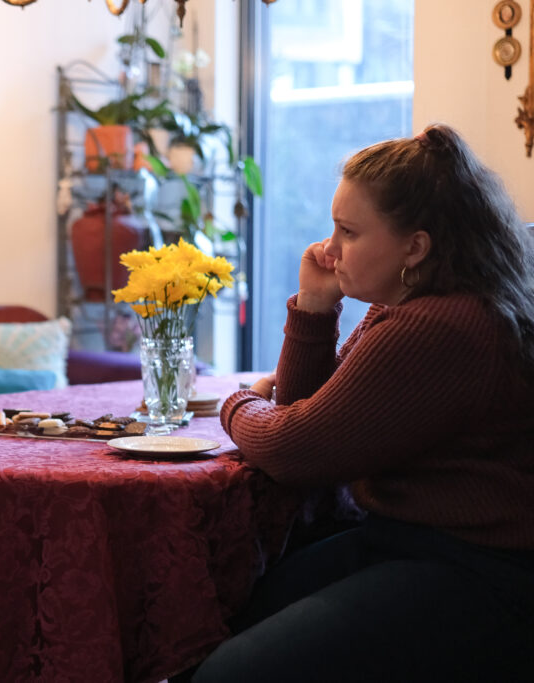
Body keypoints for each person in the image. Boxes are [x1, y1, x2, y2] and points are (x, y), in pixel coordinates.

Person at [191, 124, 534, 682]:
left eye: (348, 232)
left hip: (482, 570)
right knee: (216, 620)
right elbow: (310, 417)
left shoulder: (440, 325)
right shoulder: (410, 304)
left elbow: (293, 449)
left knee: (228, 673)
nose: (328, 249)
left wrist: (232, 404)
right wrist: (314, 306)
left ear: (415, 247)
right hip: (408, 542)